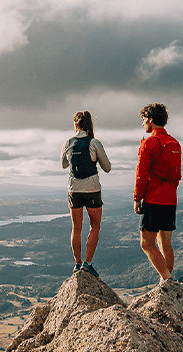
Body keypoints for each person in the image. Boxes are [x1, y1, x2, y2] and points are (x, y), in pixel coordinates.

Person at [133, 103, 181, 284]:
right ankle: (166, 281)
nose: (143, 124)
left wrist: (137, 198)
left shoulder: (150, 143)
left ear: (151, 119)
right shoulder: (174, 143)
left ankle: (167, 280)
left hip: (153, 198)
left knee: (146, 243)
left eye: (144, 120)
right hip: (170, 198)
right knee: (165, 243)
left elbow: (142, 174)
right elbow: (177, 175)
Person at [61, 110, 111, 276]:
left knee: (76, 227)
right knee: (94, 226)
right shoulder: (94, 142)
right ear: (90, 125)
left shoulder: (68, 142)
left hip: (73, 189)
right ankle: (87, 264)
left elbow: (63, 165)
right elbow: (107, 168)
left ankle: (77, 264)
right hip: (92, 189)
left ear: (76, 125)